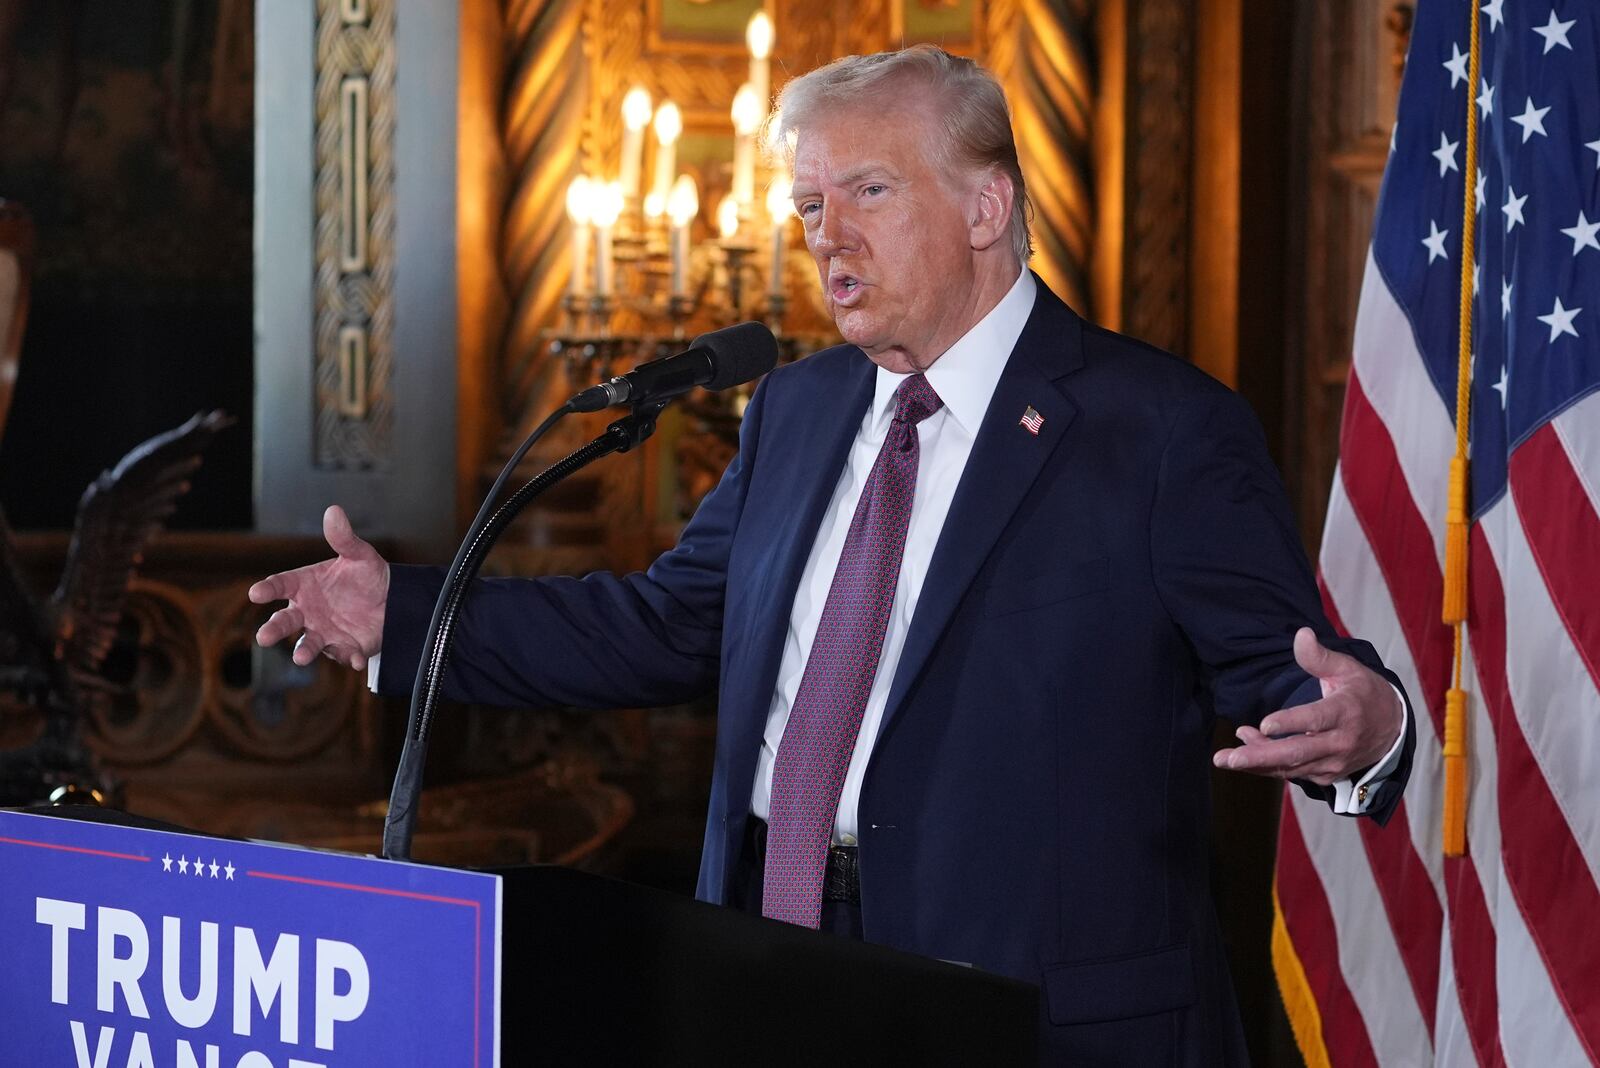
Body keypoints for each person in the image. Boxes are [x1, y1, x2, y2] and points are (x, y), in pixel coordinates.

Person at [251, 47, 1413, 1064]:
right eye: (809, 205)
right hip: (773, 958)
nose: (828, 237)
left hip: (1030, 1004)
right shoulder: (796, 408)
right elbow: (666, 626)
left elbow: (1287, 677)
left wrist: (1365, 726)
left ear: (985, 206)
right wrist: (404, 617)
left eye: (867, 191)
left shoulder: (1157, 427)